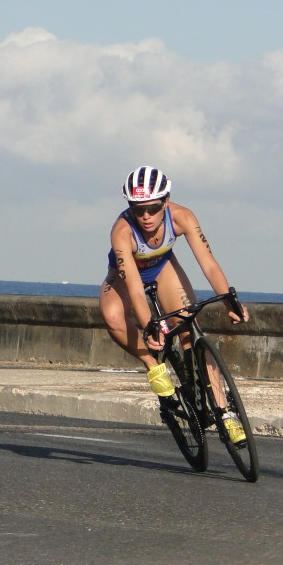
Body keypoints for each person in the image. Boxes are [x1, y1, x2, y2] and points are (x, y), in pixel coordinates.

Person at [98, 165, 249, 443]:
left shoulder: (182, 217)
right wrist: (149, 326)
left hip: (162, 268)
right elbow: (135, 290)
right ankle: (154, 367)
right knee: (112, 316)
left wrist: (229, 300)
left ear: (165, 202)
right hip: (124, 276)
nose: (146, 216)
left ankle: (225, 413)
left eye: (153, 208)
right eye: (138, 209)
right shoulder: (122, 231)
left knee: (190, 329)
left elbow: (208, 264)